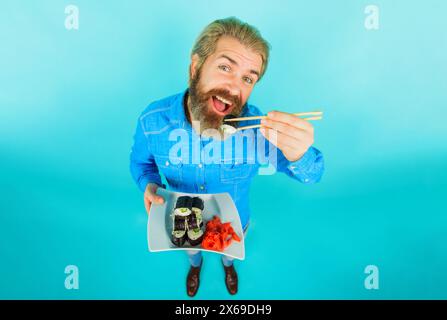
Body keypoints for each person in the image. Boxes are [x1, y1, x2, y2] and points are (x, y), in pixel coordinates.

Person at [130, 17, 324, 297]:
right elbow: (141, 163)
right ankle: (195, 268)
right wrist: (147, 184)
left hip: (234, 224)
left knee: (230, 252)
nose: (234, 89)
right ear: (196, 66)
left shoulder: (257, 130)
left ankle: (228, 267)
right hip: (183, 221)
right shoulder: (152, 120)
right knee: (192, 252)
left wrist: (298, 153)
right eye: (225, 67)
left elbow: (313, 175)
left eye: (247, 78)